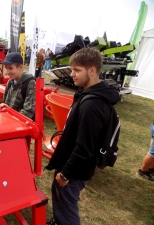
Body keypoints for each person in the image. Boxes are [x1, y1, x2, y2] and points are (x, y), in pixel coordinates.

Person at [45, 48, 120, 225]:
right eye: (72, 69)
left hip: (75, 170)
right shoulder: (89, 95)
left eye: (77, 70)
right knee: (61, 199)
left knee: (67, 206)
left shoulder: (92, 105)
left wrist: (65, 174)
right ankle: (57, 220)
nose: (72, 74)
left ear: (92, 70)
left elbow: (84, 148)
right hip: (74, 165)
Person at [0, 52, 36, 119]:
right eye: (6, 68)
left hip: (22, 124)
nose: (7, 72)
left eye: (10, 68)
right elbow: (4, 102)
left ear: (20, 67)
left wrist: (12, 117)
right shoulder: (10, 81)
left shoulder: (30, 82)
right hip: (9, 119)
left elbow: (28, 111)